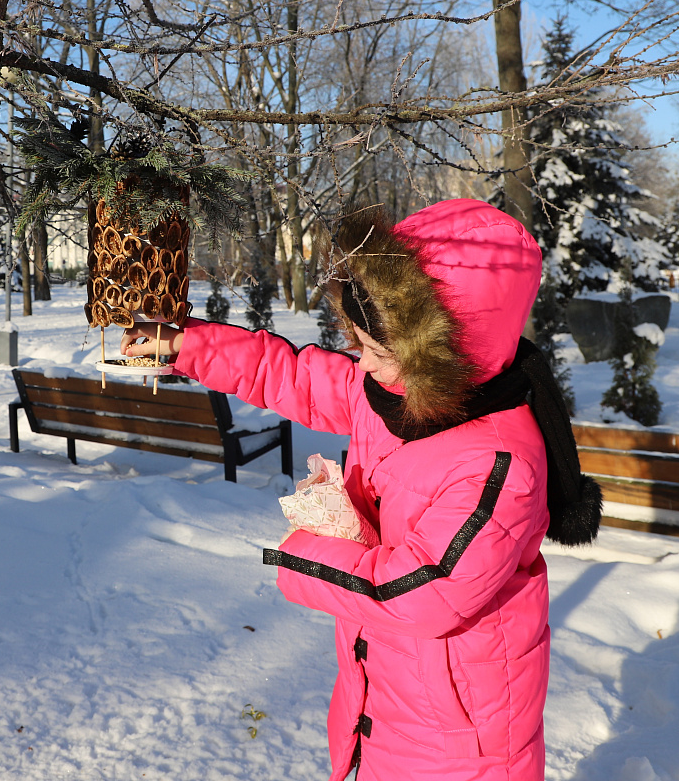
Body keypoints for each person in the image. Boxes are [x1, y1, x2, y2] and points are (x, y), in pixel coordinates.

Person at [121, 199, 600, 781]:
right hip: (386, 695)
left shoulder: (497, 464)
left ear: (440, 352)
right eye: (358, 341)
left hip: (459, 740)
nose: (360, 361)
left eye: (375, 349)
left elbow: (423, 591)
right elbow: (292, 376)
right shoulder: (392, 394)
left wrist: (302, 556)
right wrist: (186, 346)